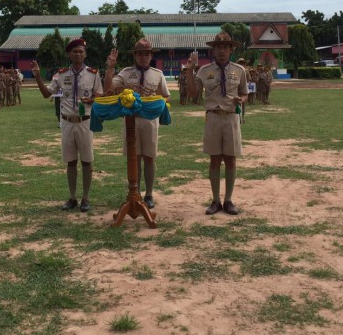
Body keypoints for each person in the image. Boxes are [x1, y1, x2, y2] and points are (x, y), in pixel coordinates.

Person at [32, 38, 104, 212]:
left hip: (85, 122)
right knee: (71, 161)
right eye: (74, 52)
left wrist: (91, 100)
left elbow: (100, 96)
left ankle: (85, 198)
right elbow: (47, 94)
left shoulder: (93, 74)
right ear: (69, 54)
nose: (78, 54)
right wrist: (38, 77)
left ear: (85, 54)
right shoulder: (61, 74)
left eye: (81, 51)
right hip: (67, 122)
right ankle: (72, 198)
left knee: (87, 161)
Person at [185, 31, 248, 216]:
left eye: (225, 47)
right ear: (214, 49)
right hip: (213, 117)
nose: (222, 50)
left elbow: (245, 93)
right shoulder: (205, 71)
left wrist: (242, 100)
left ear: (231, 49)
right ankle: (215, 200)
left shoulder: (239, 70)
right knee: (214, 159)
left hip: (231, 117)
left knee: (230, 159)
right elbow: (193, 93)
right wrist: (189, 70)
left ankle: (228, 200)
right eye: (218, 47)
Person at [104, 38, 170, 209]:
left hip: (150, 122)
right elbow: (108, 89)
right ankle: (135, 193)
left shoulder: (158, 74)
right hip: (131, 121)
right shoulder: (126, 73)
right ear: (135, 56)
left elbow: (165, 96)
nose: (143, 57)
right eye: (140, 54)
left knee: (149, 158)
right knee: (134, 157)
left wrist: (156, 105)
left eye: (147, 54)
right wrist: (110, 68)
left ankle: (149, 194)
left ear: (151, 56)